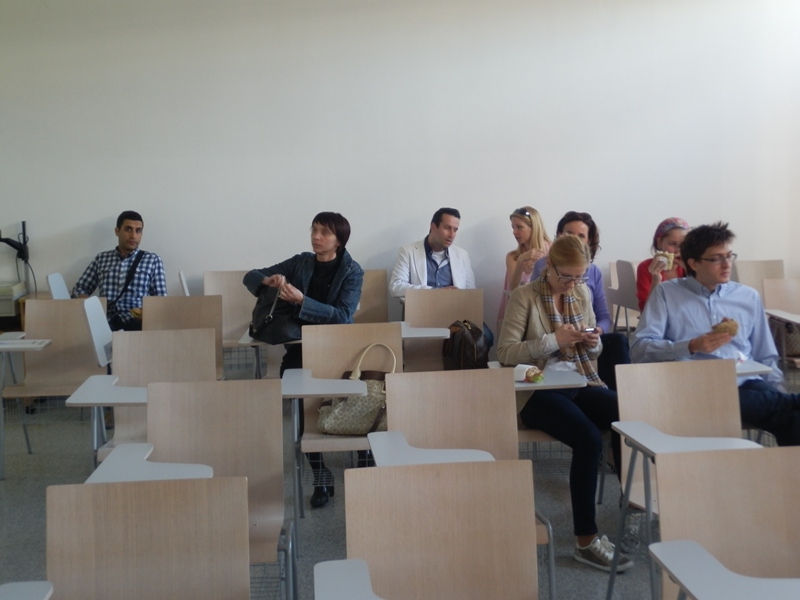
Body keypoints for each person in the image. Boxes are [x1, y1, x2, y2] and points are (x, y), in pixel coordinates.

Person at [497, 235, 632, 573]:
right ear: (549, 266)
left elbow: (594, 352)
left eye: (579, 277)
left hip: (577, 379)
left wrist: (593, 341)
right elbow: (505, 352)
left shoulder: (581, 294)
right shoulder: (524, 296)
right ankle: (585, 540)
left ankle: (634, 503)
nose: (572, 284)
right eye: (566, 276)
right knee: (588, 438)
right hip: (535, 390)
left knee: (628, 413)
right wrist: (552, 340)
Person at [631, 221, 800, 446]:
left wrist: (776, 390)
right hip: (693, 388)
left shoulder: (747, 297)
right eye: (716, 259)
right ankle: (791, 403)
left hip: (745, 382)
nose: (727, 264)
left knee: (793, 417)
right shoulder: (667, 293)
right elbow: (639, 349)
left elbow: (765, 354)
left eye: (729, 256)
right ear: (694, 263)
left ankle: (788, 413)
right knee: (789, 410)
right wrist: (691, 345)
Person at [243, 212, 363, 508]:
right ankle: (320, 475)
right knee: (299, 411)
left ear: (339, 240)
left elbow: (342, 316)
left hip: (338, 351)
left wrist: (301, 301)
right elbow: (250, 275)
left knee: (357, 400)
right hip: (300, 351)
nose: (316, 237)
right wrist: (267, 280)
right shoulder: (301, 262)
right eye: (314, 230)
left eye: (324, 232)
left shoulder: (352, 271)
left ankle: (365, 460)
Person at [531, 211, 630, 390]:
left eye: (581, 236)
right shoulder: (542, 266)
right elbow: (534, 308)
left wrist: (595, 331)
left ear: (589, 242)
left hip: (583, 337)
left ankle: (621, 393)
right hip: (550, 339)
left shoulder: (594, 272)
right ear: (559, 236)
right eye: (569, 233)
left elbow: (603, 316)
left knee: (617, 341)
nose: (574, 240)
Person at [72, 210, 167, 331]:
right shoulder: (102, 259)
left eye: (138, 231)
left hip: (138, 324)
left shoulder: (152, 260)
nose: (133, 236)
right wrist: (92, 308)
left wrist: (145, 314)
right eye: (128, 229)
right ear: (117, 231)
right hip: (105, 324)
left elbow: (161, 301)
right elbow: (79, 289)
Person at [389, 207, 475, 297]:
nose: (452, 235)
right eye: (447, 228)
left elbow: (471, 294)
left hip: (455, 305)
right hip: (422, 305)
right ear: (433, 227)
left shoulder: (462, 255)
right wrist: (434, 292)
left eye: (455, 230)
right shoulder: (408, 251)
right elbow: (395, 287)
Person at [497, 206, 552, 326]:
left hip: (546, 312)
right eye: (513, 227)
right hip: (519, 312)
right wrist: (521, 260)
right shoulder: (513, 256)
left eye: (519, 227)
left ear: (534, 227)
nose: (514, 232)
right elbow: (513, 289)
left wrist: (537, 268)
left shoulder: (552, 250)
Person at [635, 217, 689, 311]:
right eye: (672, 244)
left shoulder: (692, 266)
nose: (678, 250)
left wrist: (690, 271)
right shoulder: (645, 267)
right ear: (659, 242)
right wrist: (656, 281)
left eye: (683, 245)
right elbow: (646, 311)